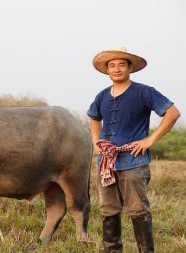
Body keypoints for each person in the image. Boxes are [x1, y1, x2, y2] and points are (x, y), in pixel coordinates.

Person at [87, 46, 181, 253]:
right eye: (112, 65)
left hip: (133, 161)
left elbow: (172, 113)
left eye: (121, 65)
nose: (117, 69)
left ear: (130, 68)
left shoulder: (144, 91)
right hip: (106, 163)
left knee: (138, 210)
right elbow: (94, 118)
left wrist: (150, 140)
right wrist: (96, 141)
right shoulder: (102, 96)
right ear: (107, 70)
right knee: (108, 210)